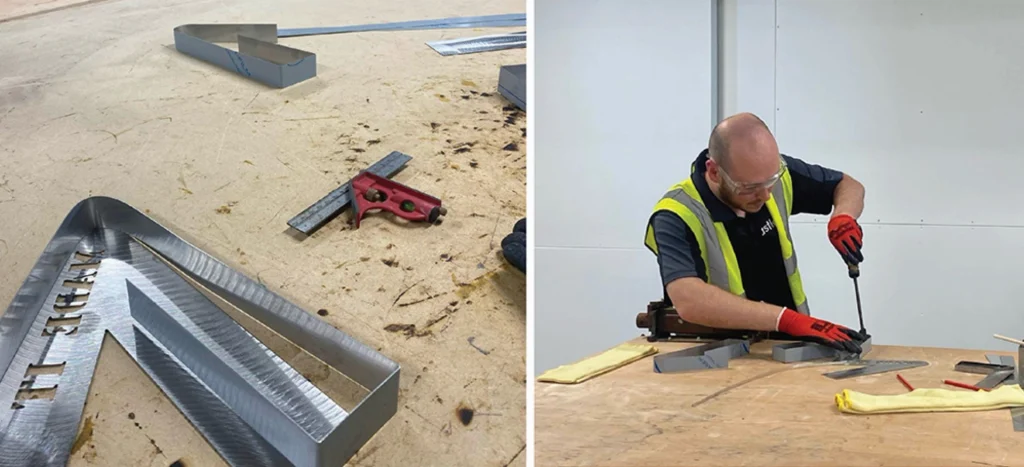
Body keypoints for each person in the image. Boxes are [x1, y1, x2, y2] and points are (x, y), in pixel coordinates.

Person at [643, 112, 868, 353]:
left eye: (770, 181)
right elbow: (689, 300)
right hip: (719, 358)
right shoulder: (676, 214)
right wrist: (788, 320)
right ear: (714, 172)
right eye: (749, 188)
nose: (766, 195)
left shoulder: (771, 175)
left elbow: (849, 186)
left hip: (788, 347)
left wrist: (843, 217)